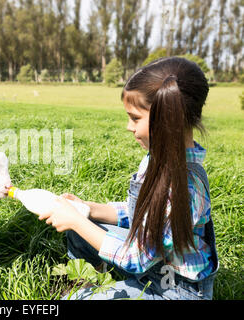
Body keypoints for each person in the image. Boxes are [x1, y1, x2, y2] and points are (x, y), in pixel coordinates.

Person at [40, 57, 219, 300]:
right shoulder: (156, 157)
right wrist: (87, 209)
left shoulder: (185, 186)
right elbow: (137, 213)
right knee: (80, 230)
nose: (128, 126)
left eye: (135, 118)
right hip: (153, 266)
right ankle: (90, 284)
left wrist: (76, 220)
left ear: (166, 119)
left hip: (174, 290)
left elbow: (137, 258)